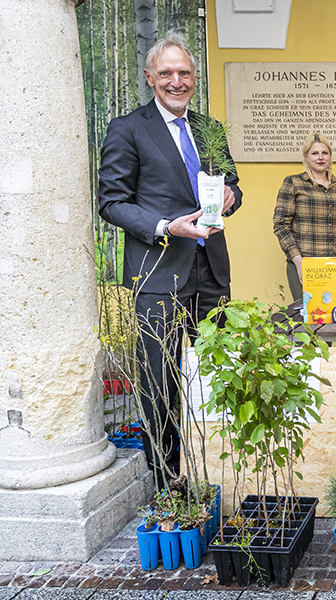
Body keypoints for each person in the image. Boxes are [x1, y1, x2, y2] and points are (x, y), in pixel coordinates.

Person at [98, 32, 242, 489]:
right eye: (166, 73)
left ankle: (215, 472)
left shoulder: (209, 129)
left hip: (211, 273)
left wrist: (233, 196)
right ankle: (168, 484)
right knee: (159, 385)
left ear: (194, 79)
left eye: (184, 73)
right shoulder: (127, 128)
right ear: (150, 78)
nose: (176, 81)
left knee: (215, 377)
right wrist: (166, 226)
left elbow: (232, 181)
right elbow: (112, 202)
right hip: (158, 273)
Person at [273, 133, 336, 302]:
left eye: (325, 153)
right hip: (306, 264)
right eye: (315, 153)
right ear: (306, 156)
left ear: (330, 156)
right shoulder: (293, 183)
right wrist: (298, 261)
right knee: (307, 319)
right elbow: (281, 225)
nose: (320, 157)